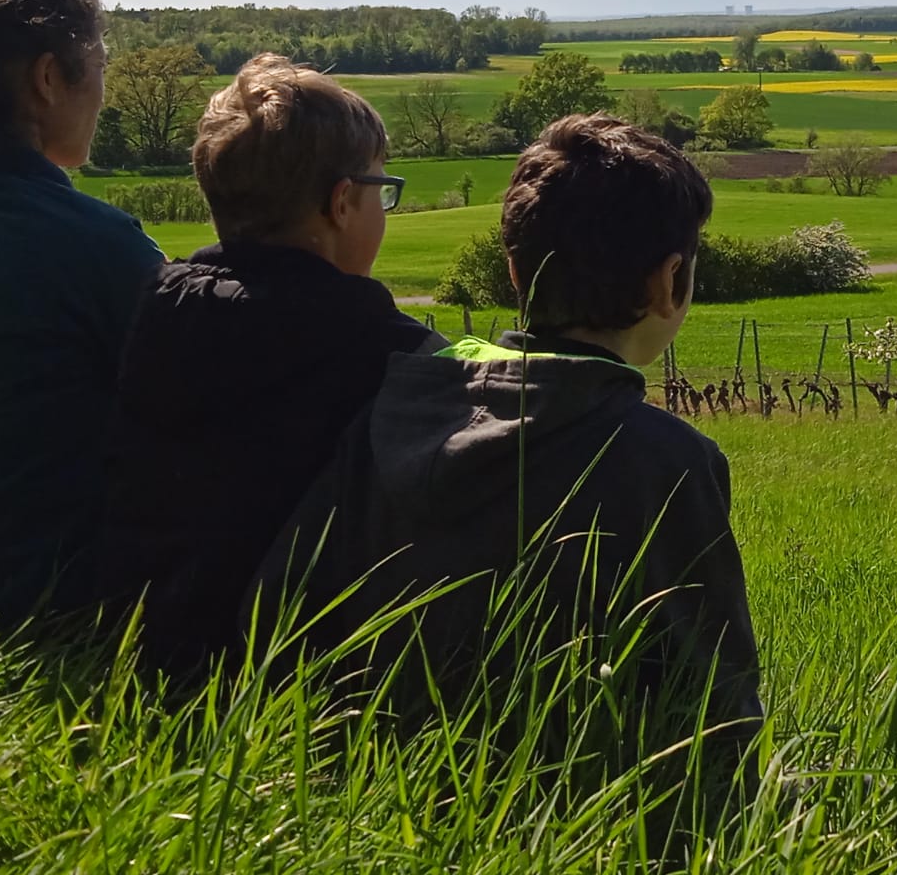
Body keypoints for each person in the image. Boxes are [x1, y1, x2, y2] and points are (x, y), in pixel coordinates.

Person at [255, 114, 761, 778]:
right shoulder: (662, 462)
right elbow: (713, 710)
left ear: (515, 272)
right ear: (669, 281)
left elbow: (279, 618)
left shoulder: (393, 414)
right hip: (571, 807)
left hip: (361, 791)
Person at [99, 54, 440, 673]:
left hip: (147, 645)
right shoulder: (384, 351)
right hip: (300, 667)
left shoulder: (162, 311)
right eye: (381, 189)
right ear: (342, 202)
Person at [0, 0, 164, 626]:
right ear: (48, 78)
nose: (103, 92)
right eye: (100, 67)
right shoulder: (99, 249)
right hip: (37, 625)